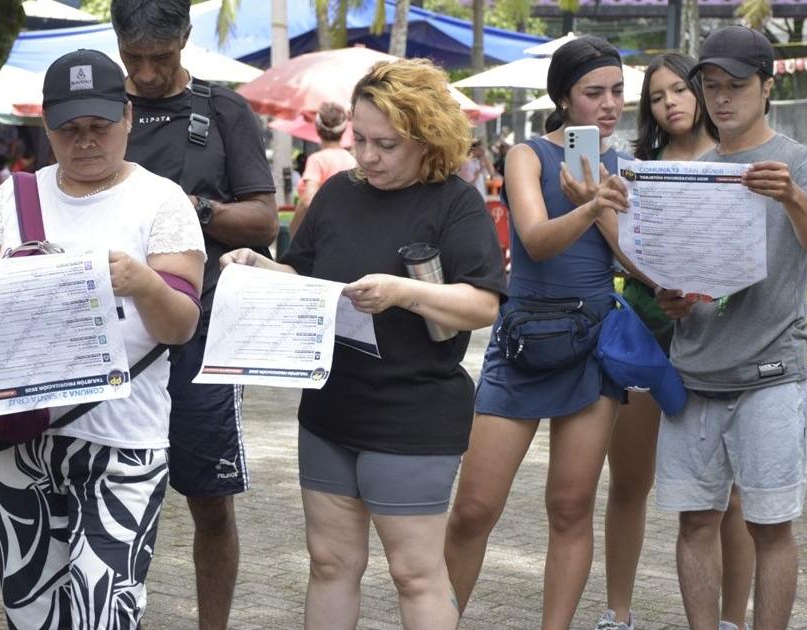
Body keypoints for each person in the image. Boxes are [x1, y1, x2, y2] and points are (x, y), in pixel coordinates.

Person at [221, 58, 506, 630]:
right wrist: (258, 266)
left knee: (414, 572)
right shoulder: (337, 194)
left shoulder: (455, 202)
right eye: (360, 139)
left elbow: (484, 304)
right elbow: (306, 281)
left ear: (427, 140)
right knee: (329, 562)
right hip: (330, 407)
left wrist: (403, 292)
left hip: (412, 413)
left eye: (387, 144)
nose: (368, 156)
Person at [0, 49, 205, 627]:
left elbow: (180, 326)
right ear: (47, 127)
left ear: (127, 118)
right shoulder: (16, 197)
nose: (86, 142)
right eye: (70, 130)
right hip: (23, 429)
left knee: (105, 605)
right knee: (30, 605)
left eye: (99, 127)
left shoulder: (160, 202)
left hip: (123, 436)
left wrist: (144, 283)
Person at [444, 35, 635, 628]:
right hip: (525, 336)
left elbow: (637, 263)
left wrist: (602, 205)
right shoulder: (528, 155)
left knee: (571, 506)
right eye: (593, 93)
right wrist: (588, 203)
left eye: (618, 92)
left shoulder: (625, 166)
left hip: (593, 337)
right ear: (563, 98)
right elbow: (533, 238)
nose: (609, 105)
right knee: (474, 508)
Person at [656, 26, 807, 629]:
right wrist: (672, 298)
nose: (721, 99)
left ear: (767, 86)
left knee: (770, 524)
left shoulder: (801, 164)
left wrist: (792, 199)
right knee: (694, 520)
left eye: (736, 86)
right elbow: (681, 275)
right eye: (711, 87)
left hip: (770, 374)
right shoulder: (695, 170)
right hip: (694, 374)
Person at [109, 2, 278, 627]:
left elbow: (264, 218)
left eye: (162, 57)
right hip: (114, 335)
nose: (148, 74)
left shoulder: (225, 111)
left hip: (203, 335)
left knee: (209, 501)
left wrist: (188, 209)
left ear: (185, 37)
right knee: (116, 491)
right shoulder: (100, 107)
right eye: (134, 59)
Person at [596, 52, 754, 630]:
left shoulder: (739, 163)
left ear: (702, 92)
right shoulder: (637, 168)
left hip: (720, 341)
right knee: (629, 481)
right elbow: (622, 244)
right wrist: (659, 281)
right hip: (644, 335)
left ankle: (733, 619)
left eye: (679, 91)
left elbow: (748, 256)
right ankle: (618, 612)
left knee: (729, 499)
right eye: (658, 97)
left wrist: (702, 293)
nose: (671, 104)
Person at [290, 101, 357, 237]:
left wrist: (294, 229)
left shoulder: (317, 160)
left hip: (321, 231)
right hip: (348, 230)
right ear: (343, 129)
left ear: (317, 128)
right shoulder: (352, 160)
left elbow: (308, 200)